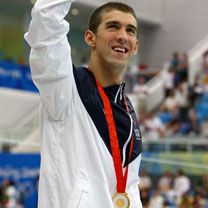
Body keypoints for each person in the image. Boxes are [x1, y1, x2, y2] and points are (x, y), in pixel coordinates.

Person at [25, 0, 143, 207]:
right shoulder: (65, 88)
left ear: (135, 47)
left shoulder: (127, 106)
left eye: (130, 30)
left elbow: (129, 187)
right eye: (113, 26)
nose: (123, 36)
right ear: (90, 38)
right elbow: (45, 19)